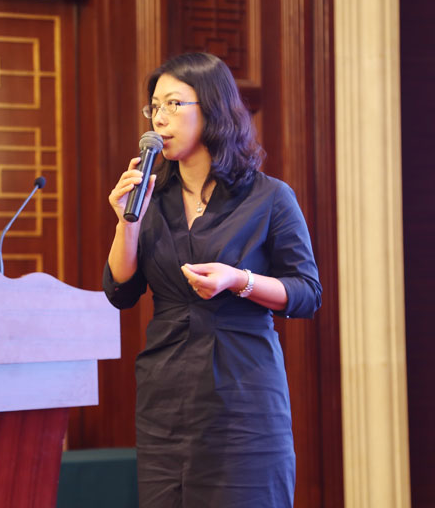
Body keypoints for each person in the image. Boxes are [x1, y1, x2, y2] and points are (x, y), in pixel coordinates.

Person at [102, 52, 322, 507]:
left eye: (173, 104)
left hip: (243, 399)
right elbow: (120, 291)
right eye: (154, 107)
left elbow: (306, 292)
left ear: (213, 109)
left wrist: (241, 280)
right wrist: (127, 222)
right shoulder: (151, 196)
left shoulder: (268, 197)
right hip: (166, 402)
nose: (159, 119)